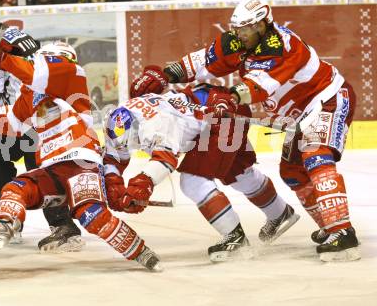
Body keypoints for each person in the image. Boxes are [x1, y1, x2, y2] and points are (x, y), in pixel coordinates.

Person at [129, 0, 360, 262]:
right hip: (298, 115)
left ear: (263, 24)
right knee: (293, 172)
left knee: (316, 155)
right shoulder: (236, 41)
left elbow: (259, 85)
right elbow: (200, 61)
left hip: (327, 100)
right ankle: (329, 226)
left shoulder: (284, 47)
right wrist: (165, 74)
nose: (240, 34)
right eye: (237, 28)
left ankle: (343, 233)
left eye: (246, 28)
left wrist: (232, 97)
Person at [0, 47, 162, 272]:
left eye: (44, 60)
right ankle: (3, 224)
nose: (40, 63)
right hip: (51, 169)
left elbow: (37, 73)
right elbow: (8, 122)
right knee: (16, 188)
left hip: (80, 163)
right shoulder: (31, 97)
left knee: (92, 216)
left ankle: (142, 253)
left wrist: (2, 59)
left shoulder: (70, 73)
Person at [104, 81, 299, 262]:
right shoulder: (119, 122)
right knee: (238, 173)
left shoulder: (157, 123)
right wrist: (114, 187)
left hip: (219, 116)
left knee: (193, 180)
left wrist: (141, 186)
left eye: (133, 141)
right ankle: (280, 213)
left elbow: (165, 160)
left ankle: (235, 238)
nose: (133, 146)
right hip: (210, 113)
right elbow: (113, 157)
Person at [0, 0, 83, 253]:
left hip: (38, 115)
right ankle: (7, 222)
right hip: (22, 117)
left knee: (38, 164)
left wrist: (7, 53)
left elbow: (30, 57)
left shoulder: (8, 37)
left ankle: (64, 227)